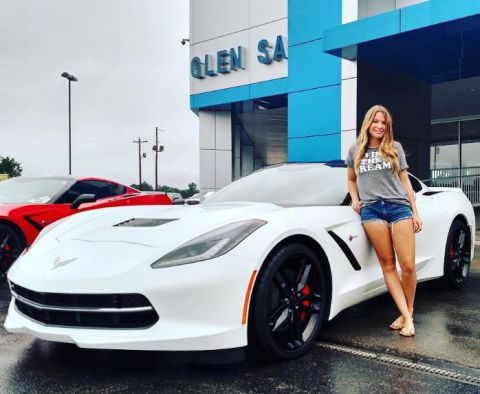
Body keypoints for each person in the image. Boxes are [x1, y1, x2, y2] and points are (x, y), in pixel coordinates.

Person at [346, 104, 422, 337]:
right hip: (372, 212)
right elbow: (351, 179)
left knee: (408, 266)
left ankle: (407, 310)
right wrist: (355, 199)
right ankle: (408, 318)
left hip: (399, 208)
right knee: (388, 265)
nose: (379, 126)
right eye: (375, 121)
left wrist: (415, 211)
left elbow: (406, 181)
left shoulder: (394, 147)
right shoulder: (355, 149)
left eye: (383, 122)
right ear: (368, 123)